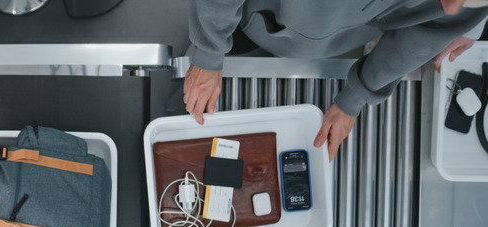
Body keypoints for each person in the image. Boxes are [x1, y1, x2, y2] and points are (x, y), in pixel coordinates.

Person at [183, 0, 488, 162]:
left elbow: (424, 30)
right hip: (245, 14)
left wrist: (355, 98)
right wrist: (210, 50)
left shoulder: (464, 8)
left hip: (318, 41)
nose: (450, 7)